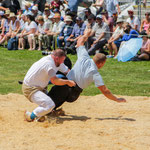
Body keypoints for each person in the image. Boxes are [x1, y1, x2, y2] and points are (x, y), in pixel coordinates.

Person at [47, 29, 126, 110]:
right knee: (59, 94)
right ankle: (53, 109)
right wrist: (117, 99)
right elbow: (105, 91)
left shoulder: (84, 57)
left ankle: (48, 107)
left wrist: (86, 34)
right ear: (101, 63)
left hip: (67, 86)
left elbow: (80, 42)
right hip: (74, 95)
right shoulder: (95, 73)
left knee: (58, 88)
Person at [23, 49, 76, 122]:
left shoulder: (57, 62)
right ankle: (30, 116)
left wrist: (76, 78)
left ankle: (41, 115)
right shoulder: (49, 64)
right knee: (49, 105)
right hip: (31, 88)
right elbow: (55, 81)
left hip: (40, 87)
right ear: (57, 58)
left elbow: (67, 71)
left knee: (52, 102)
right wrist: (67, 82)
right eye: (62, 60)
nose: (63, 62)